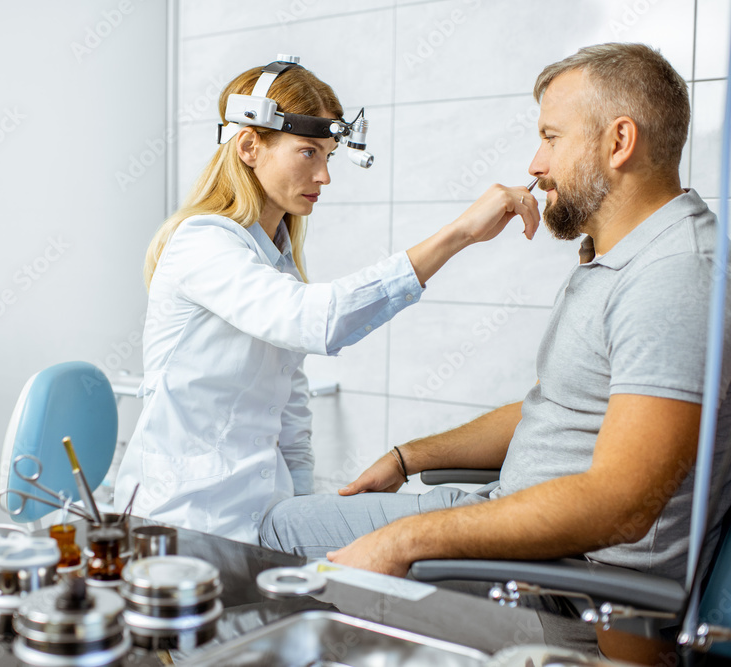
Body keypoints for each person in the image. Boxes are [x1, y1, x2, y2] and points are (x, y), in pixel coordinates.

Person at [260, 43, 731, 653]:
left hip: (567, 591)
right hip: (514, 529)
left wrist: (405, 541)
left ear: (619, 143)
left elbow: (622, 506)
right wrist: (410, 457)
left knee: (265, 551)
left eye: (551, 137)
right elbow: (558, 408)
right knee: (271, 530)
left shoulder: (674, 277)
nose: (535, 164)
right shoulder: (622, 257)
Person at [113, 59, 540, 544]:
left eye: (329, 157)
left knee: (426, 527)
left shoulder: (276, 260)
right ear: (250, 146)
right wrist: (459, 234)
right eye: (308, 153)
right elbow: (314, 320)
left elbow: (290, 412)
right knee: (432, 527)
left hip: (263, 516)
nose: (324, 176)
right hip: (186, 523)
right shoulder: (203, 243)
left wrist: (302, 512)